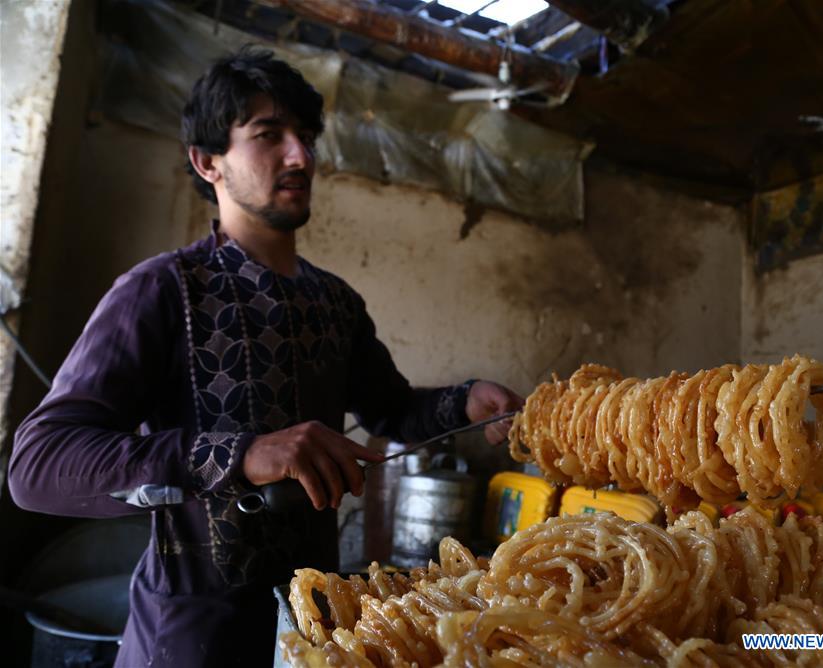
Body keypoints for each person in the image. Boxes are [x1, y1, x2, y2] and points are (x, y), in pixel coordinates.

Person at [9, 47, 522, 667]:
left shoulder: (335, 302)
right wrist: (243, 453)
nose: (301, 156)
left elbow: (393, 412)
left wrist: (465, 400)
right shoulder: (163, 290)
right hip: (186, 640)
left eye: (305, 137)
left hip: (316, 634)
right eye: (268, 135)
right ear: (208, 163)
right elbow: (38, 464)